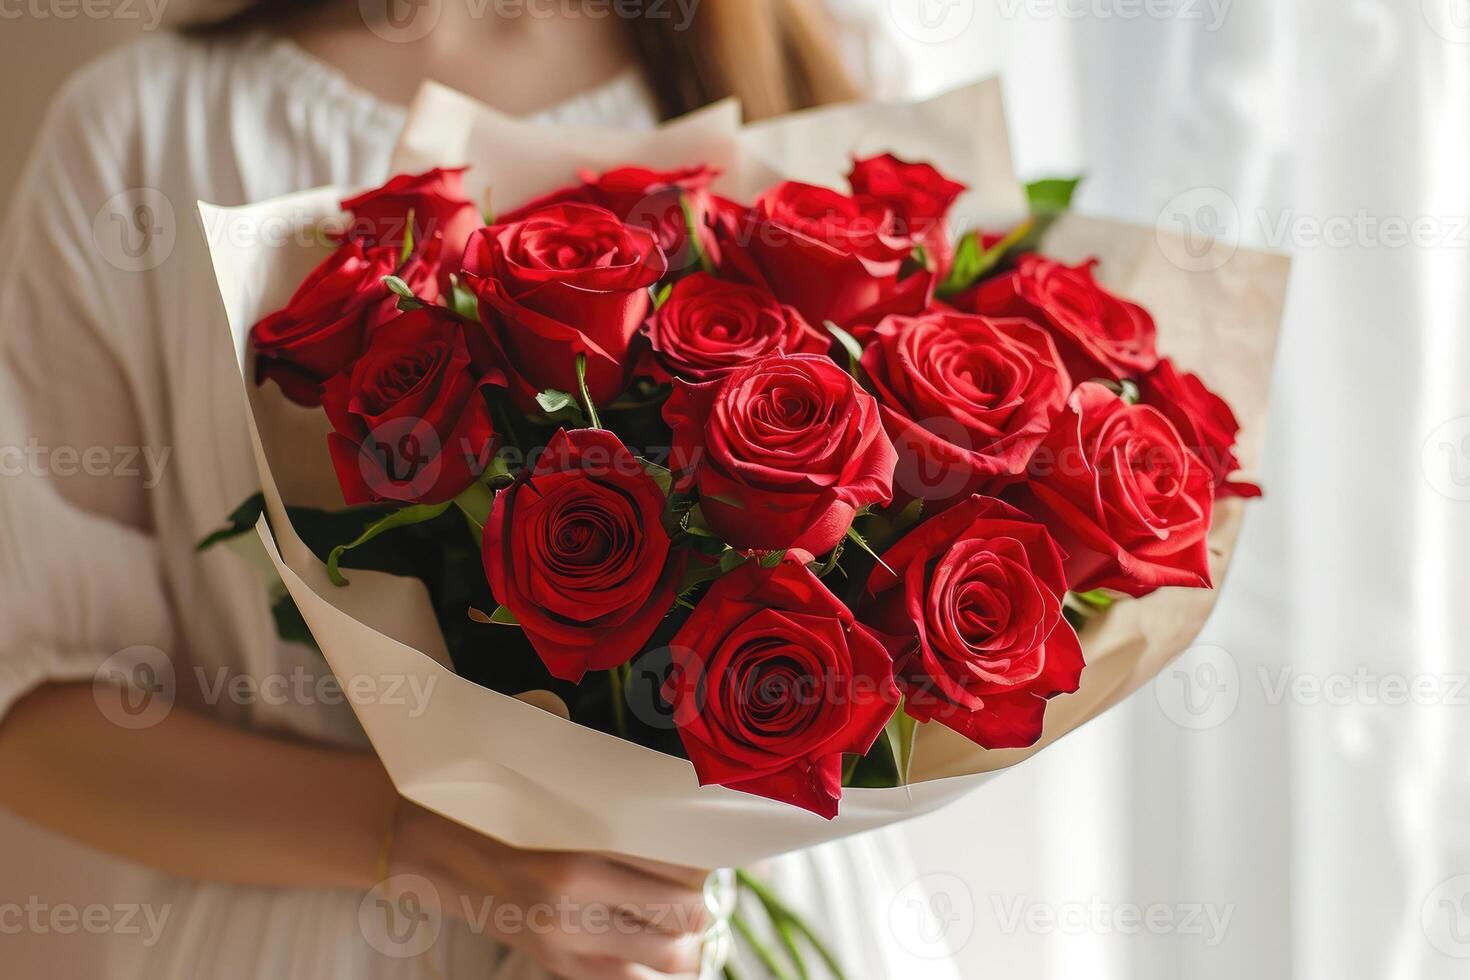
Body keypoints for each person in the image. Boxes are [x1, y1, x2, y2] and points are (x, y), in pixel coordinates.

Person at [0, 2, 953, 978]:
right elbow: (32, 709)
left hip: (753, 928)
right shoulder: (147, 128)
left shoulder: (822, 55)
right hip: (325, 938)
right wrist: (423, 835)